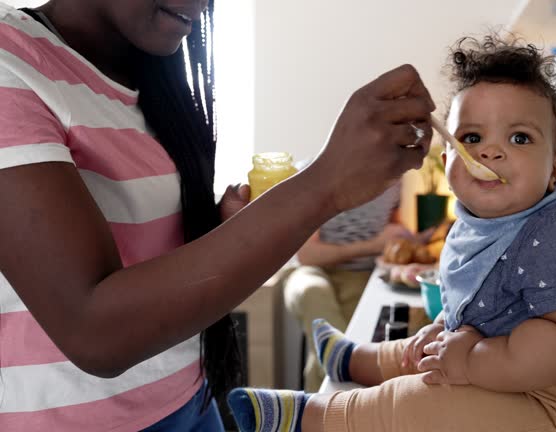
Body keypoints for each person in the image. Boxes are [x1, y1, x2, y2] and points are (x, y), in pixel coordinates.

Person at [0, 0, 435, 430]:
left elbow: (146, 256)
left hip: (190, 400)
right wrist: (324, 184)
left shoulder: (145, 73)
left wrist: (216, 229)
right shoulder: (11, 62)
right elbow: (93, 332)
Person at [227, 34, 556, 432]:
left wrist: (471, 359)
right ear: (448, 162)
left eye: (519, 138)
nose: (490, 151)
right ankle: (356, 360)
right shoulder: (475, 225)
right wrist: (455, 336)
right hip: (508, 381)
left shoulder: (555, 233)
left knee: (422, 402)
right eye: (472, 138)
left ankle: (317, 416)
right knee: (425, 347)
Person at [283, 182, 410, 392]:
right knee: (313, 293)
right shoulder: (312, 175)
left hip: (363, 277)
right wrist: (372, 245)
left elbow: (391, 230)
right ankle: (348, 393)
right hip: (312, 271)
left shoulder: (394, 180)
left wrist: (407, 240)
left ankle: (319, 411)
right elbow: (307, 255)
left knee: (332, 342)